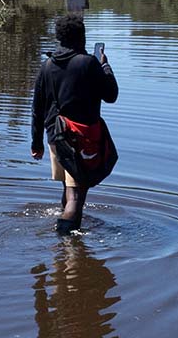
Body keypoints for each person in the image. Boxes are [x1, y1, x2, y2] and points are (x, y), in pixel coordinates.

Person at [31, 14, 119, 234]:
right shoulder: (88, 63)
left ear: (59, 38)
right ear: (82, 37)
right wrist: (105, 66)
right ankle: (68, 247)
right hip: (80, 138)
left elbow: (37, 107)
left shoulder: (47, 65)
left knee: (69, 189)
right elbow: (111, 95)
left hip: (55, 136)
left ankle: (63, 253)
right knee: (77, 196)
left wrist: (36, 143)